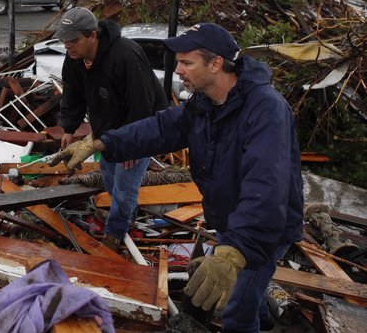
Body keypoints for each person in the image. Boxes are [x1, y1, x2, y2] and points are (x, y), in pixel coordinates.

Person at [52, 22, 304, 332]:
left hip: (263, 227)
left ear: (216, 63)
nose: (178, 69)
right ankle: (267, 317)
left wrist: (233, 252)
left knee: (235, 309)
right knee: (246, 292)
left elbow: (266, 190)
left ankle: (251, 314)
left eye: (186, 62)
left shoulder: (266, 110)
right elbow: (160, 128)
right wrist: (101, 142)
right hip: (231, 220)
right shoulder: (205, 104)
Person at [49, 7, 168, 252]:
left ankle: (114, 235)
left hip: (140, 127)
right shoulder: (74, 59)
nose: (67, 46)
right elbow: (73, 92)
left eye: (73, 40)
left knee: (125, 186)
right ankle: (127, 217)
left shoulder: (125, 55)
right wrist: (69, 128)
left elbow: (141, 104)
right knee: (110, 176)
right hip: (106, 127)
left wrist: (132, 146)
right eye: (64, 41)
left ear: (92, 35)